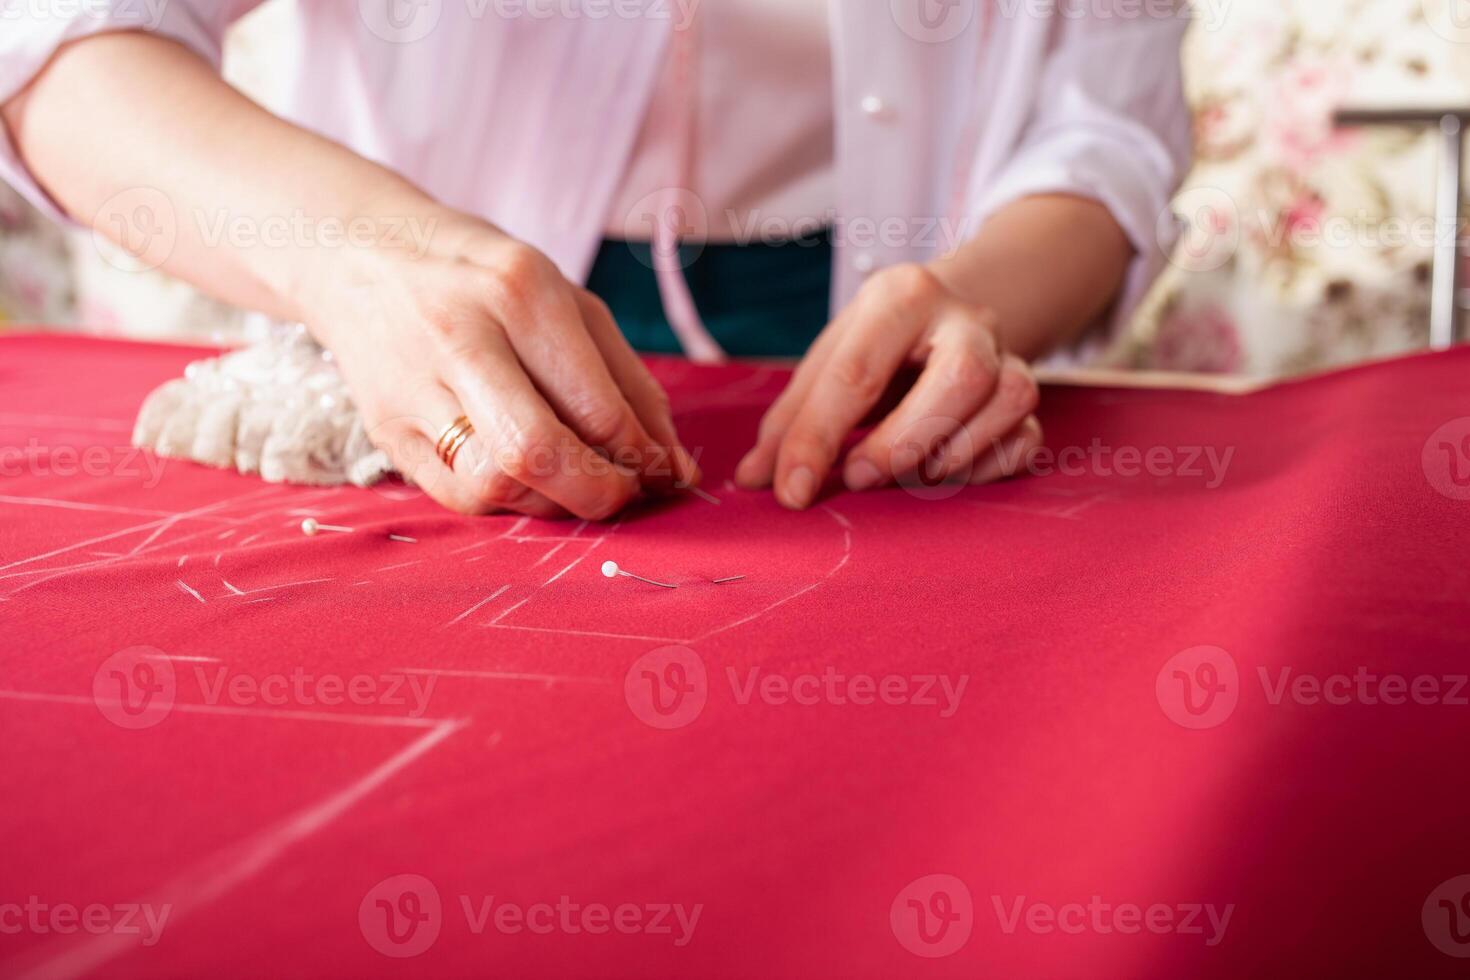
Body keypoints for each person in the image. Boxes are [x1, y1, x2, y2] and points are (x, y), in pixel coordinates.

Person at [0, 0, 1192, 519]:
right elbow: (57, 38)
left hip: (871, 333)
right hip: (405, 346)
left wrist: (973, 302)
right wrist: (371, 262)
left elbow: (1104, 139)